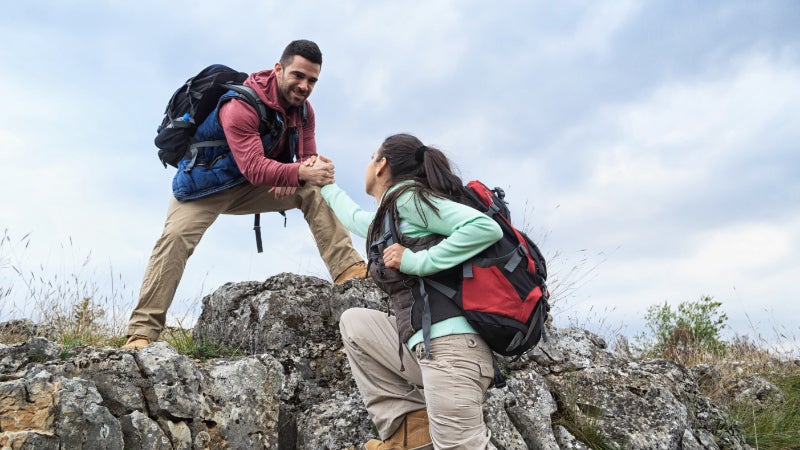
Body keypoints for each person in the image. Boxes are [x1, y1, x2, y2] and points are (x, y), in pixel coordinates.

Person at [123, 40, 366, 350]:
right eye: (298, 76)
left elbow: (306, 162)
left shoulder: (304, 112)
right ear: (278, 69)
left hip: (254, 185)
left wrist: (305, 171)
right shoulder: (240, 105)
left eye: (312, 80)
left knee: (315, 189)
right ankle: (142, 333)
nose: (304, 86)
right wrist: (292, 173)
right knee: (174, 240)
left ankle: (349, 271)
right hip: (205, 186)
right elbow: (253, 167)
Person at [312, 133, 503, 449]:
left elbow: (484, 227)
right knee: (355, 324)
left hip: (452, 349)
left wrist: (419, 261)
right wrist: (327, 186)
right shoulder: (392, 212)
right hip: (426, 348)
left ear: (381, 165)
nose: (368, 164)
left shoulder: (410, 199)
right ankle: (409, 427)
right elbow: (358, 220)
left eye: (371, 156)